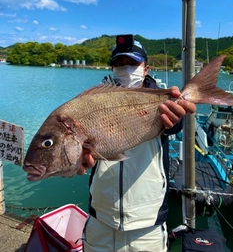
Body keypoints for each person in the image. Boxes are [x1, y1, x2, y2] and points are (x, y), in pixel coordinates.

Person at [77, 35, 196, 252]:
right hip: (100, 219)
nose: (126, 69)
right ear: (112, 69)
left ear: (146, 68)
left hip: (147, 225)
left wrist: (176, 119)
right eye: (120, 64)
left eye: (133, 64)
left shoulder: (163, 101)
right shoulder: (94, 103)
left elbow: (174, 126)